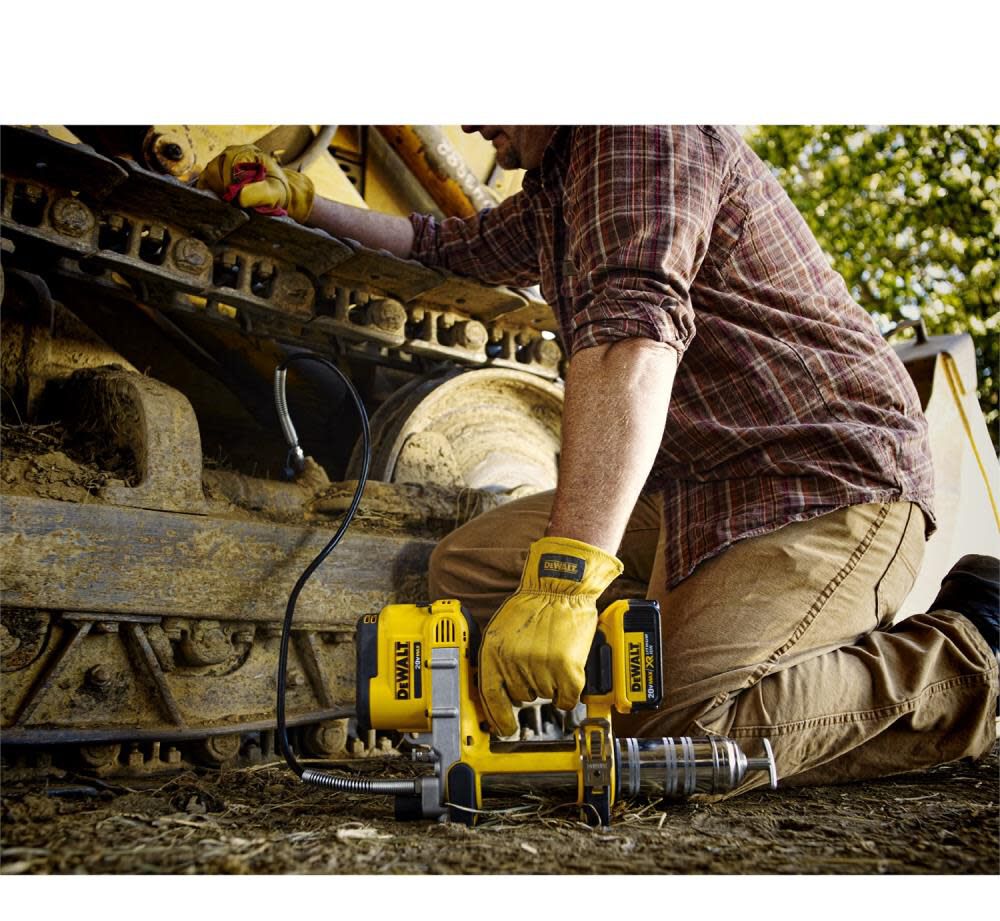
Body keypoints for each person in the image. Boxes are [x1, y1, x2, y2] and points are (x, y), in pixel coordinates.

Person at [199, 127, 998, 793]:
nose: (468, 122)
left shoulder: (639, 131)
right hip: (695, 486)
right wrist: (307, 202)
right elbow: (445, 244)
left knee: (680, 734)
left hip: (823, 480)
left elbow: (629, 344)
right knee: (467, 572)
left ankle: (972, 654)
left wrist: (567, 580)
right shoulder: (562, 182)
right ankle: (631, 694)